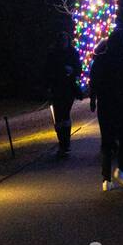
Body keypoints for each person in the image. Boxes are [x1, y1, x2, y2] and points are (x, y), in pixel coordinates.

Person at [89, 26, 123, 190]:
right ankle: (121, 169)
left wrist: (93, 99)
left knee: (106, 139)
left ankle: (106, 178)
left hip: (105, 103)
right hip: (121, 103)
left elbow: (94, 81)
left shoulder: (100, 60)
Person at [44, 29, 82, 158]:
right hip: (57, 88)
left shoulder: (72, 53)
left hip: (68, 88)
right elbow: (48, 71)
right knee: (59, 117)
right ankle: (63, 143)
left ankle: (65, 144)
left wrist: (72, 70)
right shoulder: (53, 53)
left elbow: (78, 68)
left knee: (64, 114)